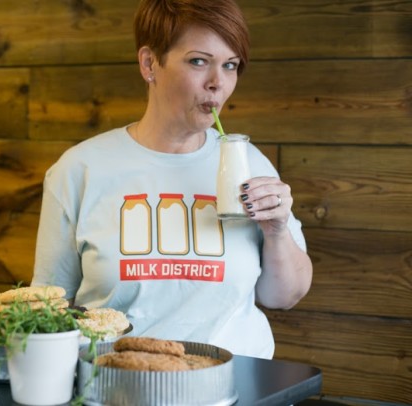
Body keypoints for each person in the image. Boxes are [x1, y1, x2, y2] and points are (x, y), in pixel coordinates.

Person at [31, 0, 312, 359]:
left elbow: (284, 296)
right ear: (150, 64)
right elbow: (48, 307)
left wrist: (276, 230)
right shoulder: (80, 169)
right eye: (199, 61)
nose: (218, 84)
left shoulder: (248, 165)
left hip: (233, 384)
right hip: (119, 383)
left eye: (230, 66)